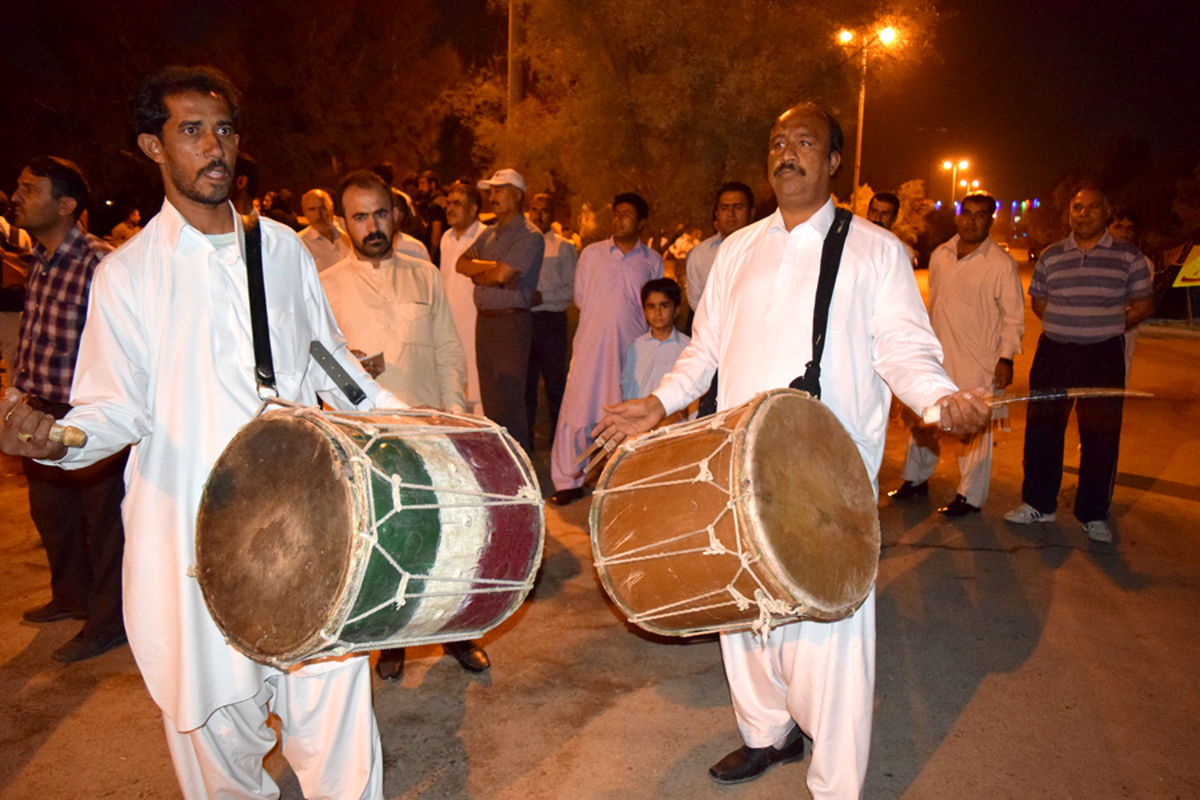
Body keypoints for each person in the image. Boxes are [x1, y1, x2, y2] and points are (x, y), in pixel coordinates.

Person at [1, 66, 391, 798]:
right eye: (191, 131)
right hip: (190, 547)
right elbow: (113, 406)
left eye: (225, 129)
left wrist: (412, 424)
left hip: (308, 528)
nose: (216, 147)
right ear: (152, 147)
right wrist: (59, 440)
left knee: (340, 732)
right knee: (219, 753)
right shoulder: (128, 275)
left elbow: (331, 365)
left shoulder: (279, 249)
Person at [592, 101, 989, 798]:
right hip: (737, 464)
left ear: (834, 161)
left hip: (826, 474)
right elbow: (705, 351)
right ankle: (765, 734)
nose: (787, 152)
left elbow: (904, 347)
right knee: (741, 612)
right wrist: (659, 403)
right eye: (778, 141)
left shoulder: (874, 250)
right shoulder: (739, 250)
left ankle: (834, 783)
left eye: (804, 142)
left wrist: (938, 398)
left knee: (828, 639)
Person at [319, 169, 488, 682]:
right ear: (343, 222)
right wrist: (352, 374)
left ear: (396, 215)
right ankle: (390, 642)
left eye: (381, 213)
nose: (372, 225)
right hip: (367, 440)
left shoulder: (426, 274)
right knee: (388, 544)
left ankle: (457, 633)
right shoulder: (325, 287)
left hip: (429, 430)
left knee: (450, 541)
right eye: (359, 216)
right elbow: (321, 364)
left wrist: (453, 414)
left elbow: (447, 350)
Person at [9, 156, 127, 663]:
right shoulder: (39, 257)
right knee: (51, 514)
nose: (16, 197)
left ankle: (109, 621)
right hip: (39, 406)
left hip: (85, 413)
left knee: (102, 522)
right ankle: (71, 597)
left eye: (29, 189)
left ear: (65, 206)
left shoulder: (102, 263)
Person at [1004, 185, 1153, 544]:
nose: (1082, 213)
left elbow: (1142, 304)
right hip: (1054, 352)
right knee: (1043, 431)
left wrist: (1108, 327)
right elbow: (1039, 301)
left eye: (1091, 208)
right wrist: (1067, 324)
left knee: (1100, 435)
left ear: (1107, 212)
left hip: (1103, 356)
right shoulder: (1053, 255)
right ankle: (1039, 504)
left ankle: (1093, 513)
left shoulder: (1129, 257)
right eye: (1077, 207)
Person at [888, 193, 1024, 516]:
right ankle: (916, 480)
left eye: (981, 215)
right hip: (937, 355)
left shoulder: (1001, 265)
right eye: (967, 213)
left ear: (991, 220)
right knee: (925, 420)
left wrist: (1006, 358)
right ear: (958, 217)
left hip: (979, 360)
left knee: (974, 429)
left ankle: (970, 496)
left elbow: (1013, 317)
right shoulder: (940, 255)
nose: (972, 220)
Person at [548, 192, 663, 506]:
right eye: (615, 213)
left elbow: (654, 306)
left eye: (626, 214)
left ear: (641, 222)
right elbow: (581, 298)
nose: (618, 219)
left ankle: (618, 479)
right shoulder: (592, 254)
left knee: (623, 411)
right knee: (578, 408)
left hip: (630, 350)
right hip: (591, 346)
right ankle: (568, 480)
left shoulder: (652, 260)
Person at [457, 168, 543, 453]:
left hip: (510, 324)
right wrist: (490, 269)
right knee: (492, 400)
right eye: (490, 191)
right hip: (486, 323)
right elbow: (462, 264)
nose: (492, 196)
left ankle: (520, 468)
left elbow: (500, 276)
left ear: (517, 195)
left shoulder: (529, 235)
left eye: (499, 190)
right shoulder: (490, 233)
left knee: (510, 399)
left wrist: (488, 272)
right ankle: (500, 464)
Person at [526, 191, 578, 444]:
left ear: (553, 214)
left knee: (555, 384)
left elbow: (572, 290)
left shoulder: (564, 247)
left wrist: (542, 297)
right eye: (534, 209)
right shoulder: (521, 244)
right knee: (527, 385)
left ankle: (559, 440)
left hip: (552, 322)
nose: (538, 215)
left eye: (544, 210)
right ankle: (526, 440)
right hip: (525, 322)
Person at [438, 180, 484, 414]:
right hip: (450, 324)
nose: (449, 209)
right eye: (448, 204)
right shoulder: (446, 238)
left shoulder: (486, 237)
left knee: (477, 393)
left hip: (476, 325)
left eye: (457, 204)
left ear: (473, 208)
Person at [685, 182, 754, 327]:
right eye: (724, 208)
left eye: (738, 207)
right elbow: (695, 300)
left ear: (752, 212)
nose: (731, 214)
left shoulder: (766, 248)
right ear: (716, 214)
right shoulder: (700, 254)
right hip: (714, 335)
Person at [621, 278, 689, 403]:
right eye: (651, 307)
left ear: (676, 310)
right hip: (640, 418)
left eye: (664, 306)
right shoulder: (636, 347)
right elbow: (627, 384)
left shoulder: (687, 347)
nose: (657, 313)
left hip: (677, 419)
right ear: (645, 312)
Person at [1108, 208, 1153, 379]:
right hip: (1090, 330)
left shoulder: (1143, 263)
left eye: (1129, 228)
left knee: (1119, 369)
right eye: (1118, 227)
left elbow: (1139, 304)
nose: (1125, 233)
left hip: (1123, 328)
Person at [298, 188, 351, 273]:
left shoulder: (348, 232)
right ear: (305, 213)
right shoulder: (300, 244)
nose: (318, 215)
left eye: (322, 208)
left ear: (331, 208)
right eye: (312, 209)